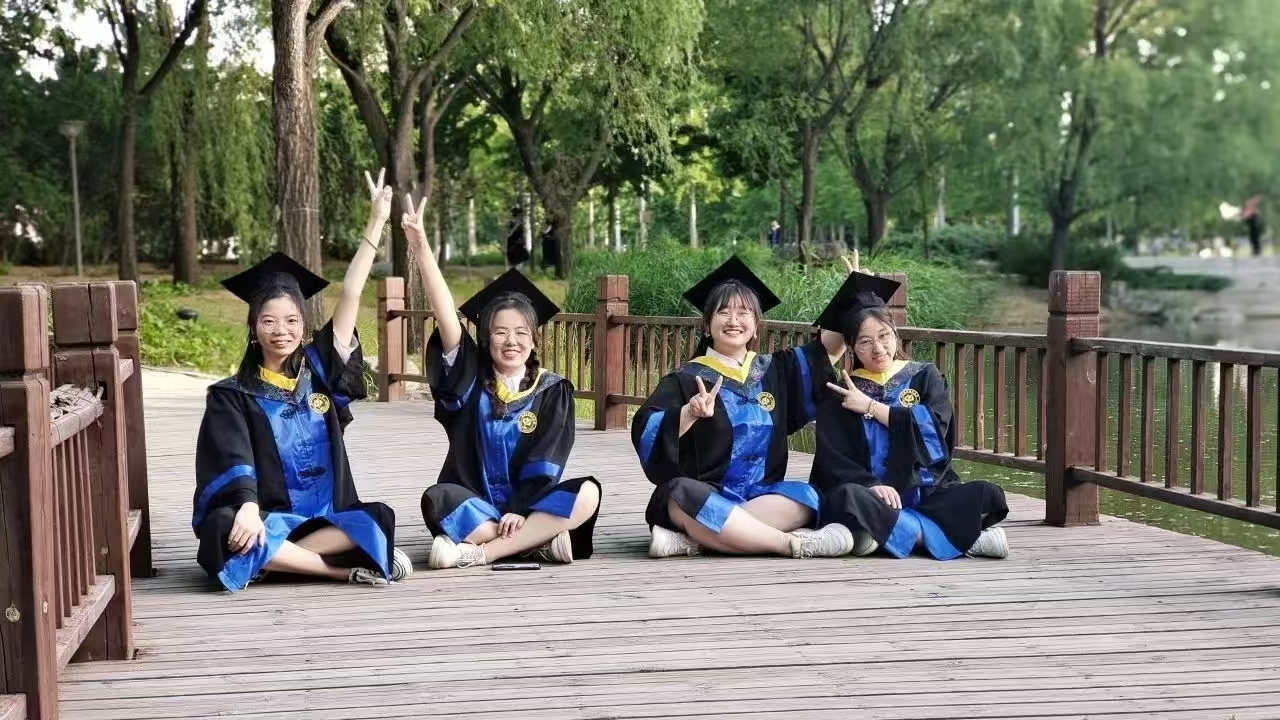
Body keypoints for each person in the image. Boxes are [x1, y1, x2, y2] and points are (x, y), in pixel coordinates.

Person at [192, 169, 412, 591]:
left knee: (377, 517)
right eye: (269, 321)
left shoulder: (320, 370)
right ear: (253, 328)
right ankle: (336, 570)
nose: (282, 331)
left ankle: (270, 561)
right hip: (265, 517)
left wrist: (376, 222)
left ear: (304, 326)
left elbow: (350, 295)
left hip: (324, 519)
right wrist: (247, 507)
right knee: (220, 528)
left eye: (292, 320)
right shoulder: (231, 395)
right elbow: (231, 459)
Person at [406, 195, 601, 569]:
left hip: (532, 505)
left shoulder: (552, 391)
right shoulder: (469, 382)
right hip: (476, 506)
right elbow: (446, 318)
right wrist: (421, 248)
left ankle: (483, 552)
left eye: (521, 332)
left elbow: (547, 462)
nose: (511, 341)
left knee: (587, 492)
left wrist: (522, 509)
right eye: (500, 332)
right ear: (485, 338)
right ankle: (536, 542)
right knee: (438, 498)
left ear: (535, 339)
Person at [632, 255, 855, 559]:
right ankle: (792, 544)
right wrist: (689, 413)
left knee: (808, 498)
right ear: (707, 326)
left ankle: (696, 539)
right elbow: (647, 430)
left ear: (756, 326)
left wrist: (855, 293)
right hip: (703, 493)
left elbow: (826, 351)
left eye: (743, 312)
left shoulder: (774, 370)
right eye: (723, 312)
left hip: (761, 496)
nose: (733, 321)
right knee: (681, 494)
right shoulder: (686, 379)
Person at [809, 271, 1009, 560]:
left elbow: (936, 434)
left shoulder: (924, 376)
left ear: (895, 334)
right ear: (851, 347)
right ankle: (958, 537)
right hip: (872, 495)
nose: (878, 349)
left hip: (925, 492)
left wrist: (871, 407)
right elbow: (833, 459)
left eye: (884, 336)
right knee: (846, 497)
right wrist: (872, 486)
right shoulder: (842, 391)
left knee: (988, 494)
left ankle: (882, 533)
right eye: (865, 342)